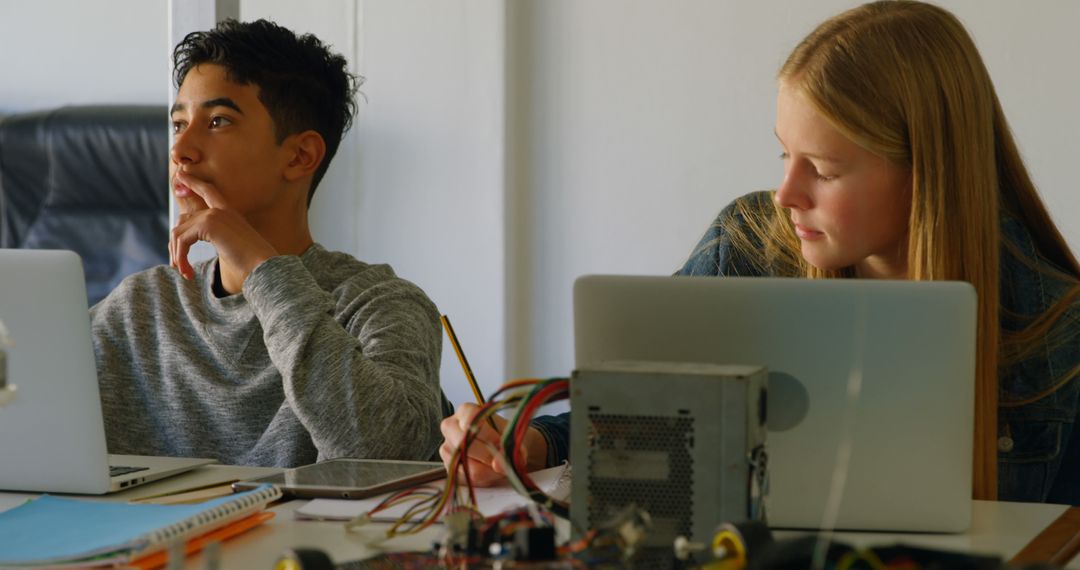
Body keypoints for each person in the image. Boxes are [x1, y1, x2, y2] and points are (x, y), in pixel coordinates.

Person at [439, 0, 1080, 504]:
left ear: (928, 172)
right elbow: (631, 408)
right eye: (784, 153)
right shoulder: (744, 248)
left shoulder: (1061, 327)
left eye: (824, 170)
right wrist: (529, 444)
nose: (785, 193)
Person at [91, 19, 446, 468]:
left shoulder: (379, 303)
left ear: (299, 156)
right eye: (179, 123)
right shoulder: (138, 308)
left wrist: (261, 265)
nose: (181, 150)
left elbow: (387, 456)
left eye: (217, 121)